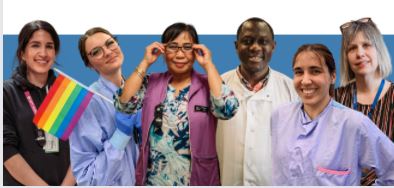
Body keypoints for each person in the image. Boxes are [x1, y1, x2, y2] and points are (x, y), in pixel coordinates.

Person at [114, 22, 239, 186]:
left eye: (187, 47)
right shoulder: (151, 81)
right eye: (173, 47)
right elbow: (124, 104)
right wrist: (145, 62)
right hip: (153, 179)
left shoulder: (209, 83)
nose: (180, 54)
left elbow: (227, 109)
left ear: (195, 51)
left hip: (198, 179)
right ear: (163, 51)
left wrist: (208, 65)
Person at [271, 43, 394, 185]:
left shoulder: (354, 124)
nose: (305, 80)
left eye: (315, 71)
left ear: (332, 76)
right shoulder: (279, 116)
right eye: (299, 72)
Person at [216, 17, 298, 185]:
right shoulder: (218, 86)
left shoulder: (292, 90)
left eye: (263, 41)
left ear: (273, 46)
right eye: (247, 41)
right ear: (236, 46)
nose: (255, 47)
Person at [3, 20, 75, 185]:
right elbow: (5, 150)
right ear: (22, 53)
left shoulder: (66, 92)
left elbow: (81, 148)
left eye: (49, 46)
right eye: (35, 45)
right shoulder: (6, 93)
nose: (43, 53)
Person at [69, 27, 141, 185]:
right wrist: (120, 136)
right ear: (89, 64)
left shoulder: (142, 91)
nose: (108, 52)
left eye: (110, 43)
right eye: (96, 52)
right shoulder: (87, 103)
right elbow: (88, 179)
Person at [334, 17, 394, 185]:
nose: (360, 53)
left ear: (379, 49)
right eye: (352, 48)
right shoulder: (334, 99)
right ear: (346, 57)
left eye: (366, 45)